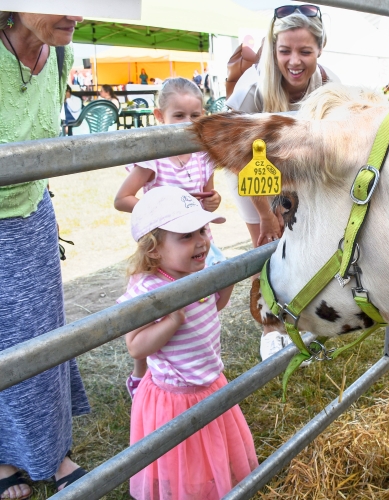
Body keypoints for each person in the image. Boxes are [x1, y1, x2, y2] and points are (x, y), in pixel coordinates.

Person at [0, 10, 90, 500]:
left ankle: (54, 450)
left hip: (33, 212)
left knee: (44, 331)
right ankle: (4, 457)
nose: (75, 11)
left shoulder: (58, 50)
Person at [119, 186, 258, 500]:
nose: (201, 242)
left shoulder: (199, 273)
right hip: (174, 398)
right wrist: (171, 320)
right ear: (153, 249)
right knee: (182, 459)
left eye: (202, 230)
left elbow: (212, 308)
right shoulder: (149, 289)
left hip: (209, 383)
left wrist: (225, 283)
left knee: (212, 452)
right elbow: (136, 346)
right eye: (186, 236)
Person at [225, 3, 338, 361]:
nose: (295, 61)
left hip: (299, 172)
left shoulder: (331, 85)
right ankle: (270, 327)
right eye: (285, 50)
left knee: (305, 245)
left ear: (319, 49)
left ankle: (301, 319)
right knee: (270, 245)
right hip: (251, 173)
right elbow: (236, 156)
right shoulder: (252, 89)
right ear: (273, 49)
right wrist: (266, 213)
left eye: (305, 51)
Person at [114, 76, 224, 399]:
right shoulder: (155, 156)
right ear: (159, 117)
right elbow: (123, 199)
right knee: (153, 311)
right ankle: (142, 377)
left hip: (196, 242)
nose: (188, 123)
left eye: (196, 115)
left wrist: (211, 202)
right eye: (179, 115)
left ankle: (195, 363)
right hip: (164, 247)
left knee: (199, 305)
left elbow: (209, 194)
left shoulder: (203, 153)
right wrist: (163, 211)